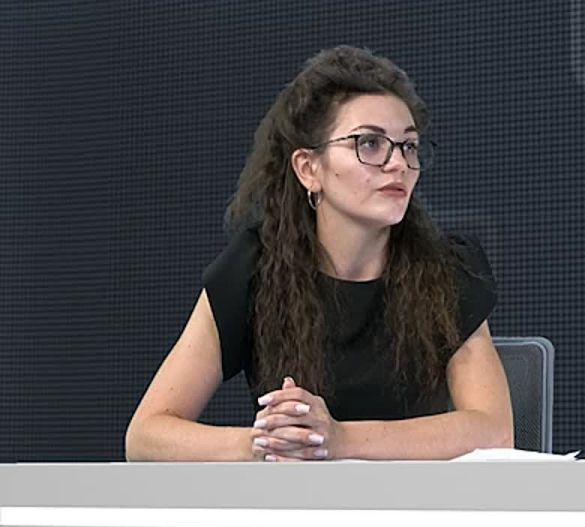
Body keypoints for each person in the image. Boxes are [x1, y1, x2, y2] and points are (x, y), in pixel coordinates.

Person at [125, 46, 513, 462]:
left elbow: (493, 431)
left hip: (413, 500)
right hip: (290, 501)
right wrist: (268, 442)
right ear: (309, 169)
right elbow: (145, 436)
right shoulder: (256, 268)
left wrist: (339, 439)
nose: (398, 164)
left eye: (408, 146)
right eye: (370, 143)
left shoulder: (447, 270)